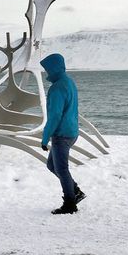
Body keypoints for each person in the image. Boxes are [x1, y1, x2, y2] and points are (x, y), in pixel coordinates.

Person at [40, 53, 86, 215]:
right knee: (52, 166)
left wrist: (45, 139)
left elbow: (55, 116)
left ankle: (70, 203)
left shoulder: (57, 88)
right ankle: (75, 191)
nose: (46, 72)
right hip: (72, 132)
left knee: (61, 169)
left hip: (61, 135)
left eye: (47, 69)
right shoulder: (69, 82)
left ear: (53, 68)